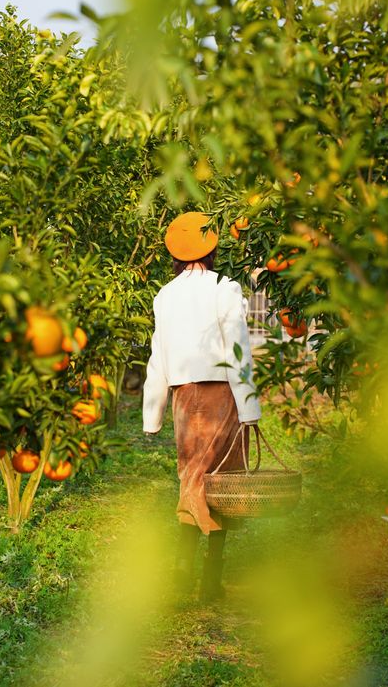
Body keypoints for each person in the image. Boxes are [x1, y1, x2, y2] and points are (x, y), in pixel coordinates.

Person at [142, 211, 262, 603]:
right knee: (219, 480)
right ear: (212, 248)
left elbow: (158, 354)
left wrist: (153, 412)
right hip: (220, 392)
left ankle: (187, 575)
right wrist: (249, 408)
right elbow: (238, 348)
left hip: (183, 394)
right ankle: (205, 579)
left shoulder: (165, 295)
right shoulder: (224, 289)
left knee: (192, 475)